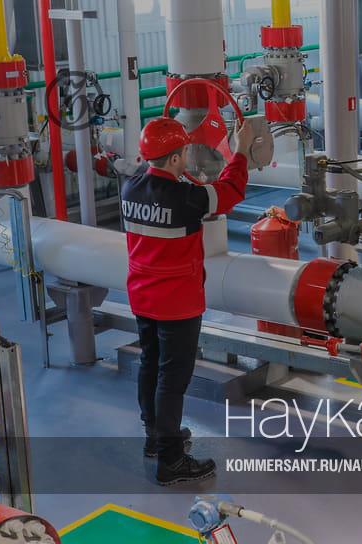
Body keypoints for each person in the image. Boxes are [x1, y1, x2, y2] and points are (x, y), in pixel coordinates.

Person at [121, 117, 256, 485]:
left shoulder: (130, 189)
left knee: (150, 364)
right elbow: (230, 190)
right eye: (183, 153)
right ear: (176, 158)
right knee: (172, 378)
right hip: (177, 304)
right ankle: (171, 461)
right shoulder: (187, 199)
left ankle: (155, 436)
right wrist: (241, 149)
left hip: (142, 297)